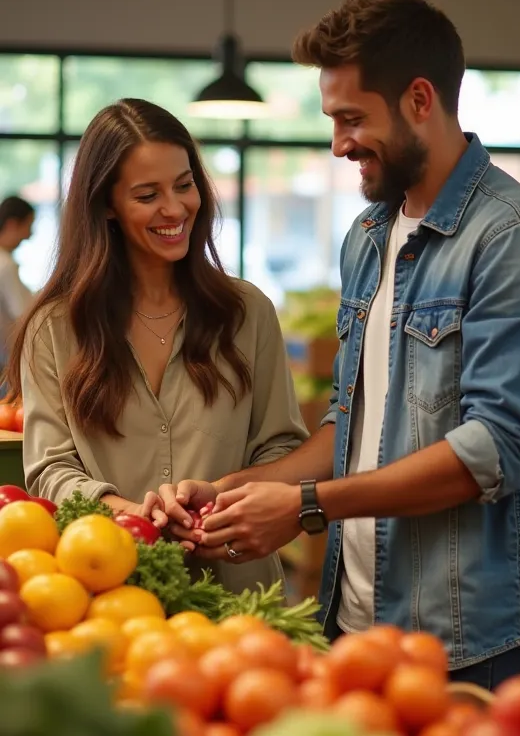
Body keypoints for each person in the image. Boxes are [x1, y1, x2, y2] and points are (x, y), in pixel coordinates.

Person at [150, 0, 520, 689]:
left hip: (472, 644)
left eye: (352, 119)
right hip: (353, 622)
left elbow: (496, 451)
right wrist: (238, 489)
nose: (338, 144)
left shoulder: (512, 240)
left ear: (420, 99)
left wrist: (307, 506)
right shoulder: (370, 237)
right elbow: (351, 429)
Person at [6, 98, 307, 594]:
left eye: (184, 185)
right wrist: (133, 518)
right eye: (148, 195)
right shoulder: (56, 328)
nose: (175, 208)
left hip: (240, 594)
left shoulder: (247, 312)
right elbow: (49, 469)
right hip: (115, 594)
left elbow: (283, 446)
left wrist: (223, 504)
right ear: (106, 205)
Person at [0, 195, 34, 386]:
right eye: (28, 225)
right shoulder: (5, 265)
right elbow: (24, 315)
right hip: (5, 362)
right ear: (12, 224)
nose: (29, 235)